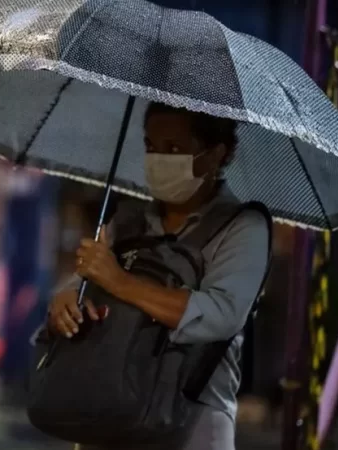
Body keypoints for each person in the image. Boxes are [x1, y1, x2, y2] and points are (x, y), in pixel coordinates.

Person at [48, 103, 270, 450]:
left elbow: (221, 315)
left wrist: (120, 281)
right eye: (151, 146)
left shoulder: (243, 227)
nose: (157, 159)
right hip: (106, 412)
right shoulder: (128, 218)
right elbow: (93, 285)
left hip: (189, 425)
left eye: (175, 149)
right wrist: (67, 298)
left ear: (216, 155)